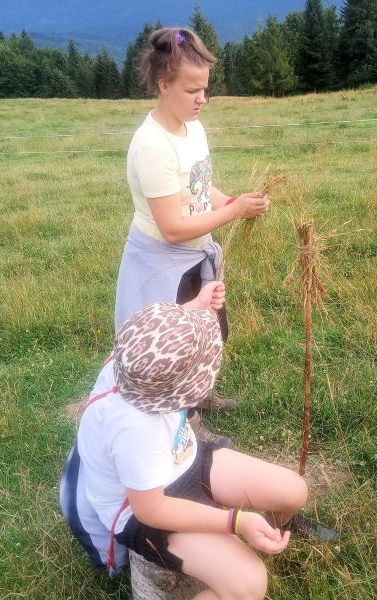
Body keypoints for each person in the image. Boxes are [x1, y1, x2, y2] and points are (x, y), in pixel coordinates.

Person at [60, 282, 325, 599]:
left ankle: (268, 537)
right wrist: (235, 521)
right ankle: (236, 555)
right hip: (143, 509)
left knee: (293, 490)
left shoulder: (130, 359)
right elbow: (152, 511)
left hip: (183, 459)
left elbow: (158, 337)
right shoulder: (134, 431)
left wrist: (196, 305)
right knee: (249, 584)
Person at [114, 27, 269, 440]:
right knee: (175, 345)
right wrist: (233, 211)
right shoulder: (151, 146)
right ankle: (187, 425)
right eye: (192, 90)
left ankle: (200, 394)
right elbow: (172, 228)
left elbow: (200, 189)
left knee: (210, 328)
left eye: (205, 88)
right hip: (165, 262)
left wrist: (233, 201)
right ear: (164, 86)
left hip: (197, 253)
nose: (203, 99)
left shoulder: (192, 127)